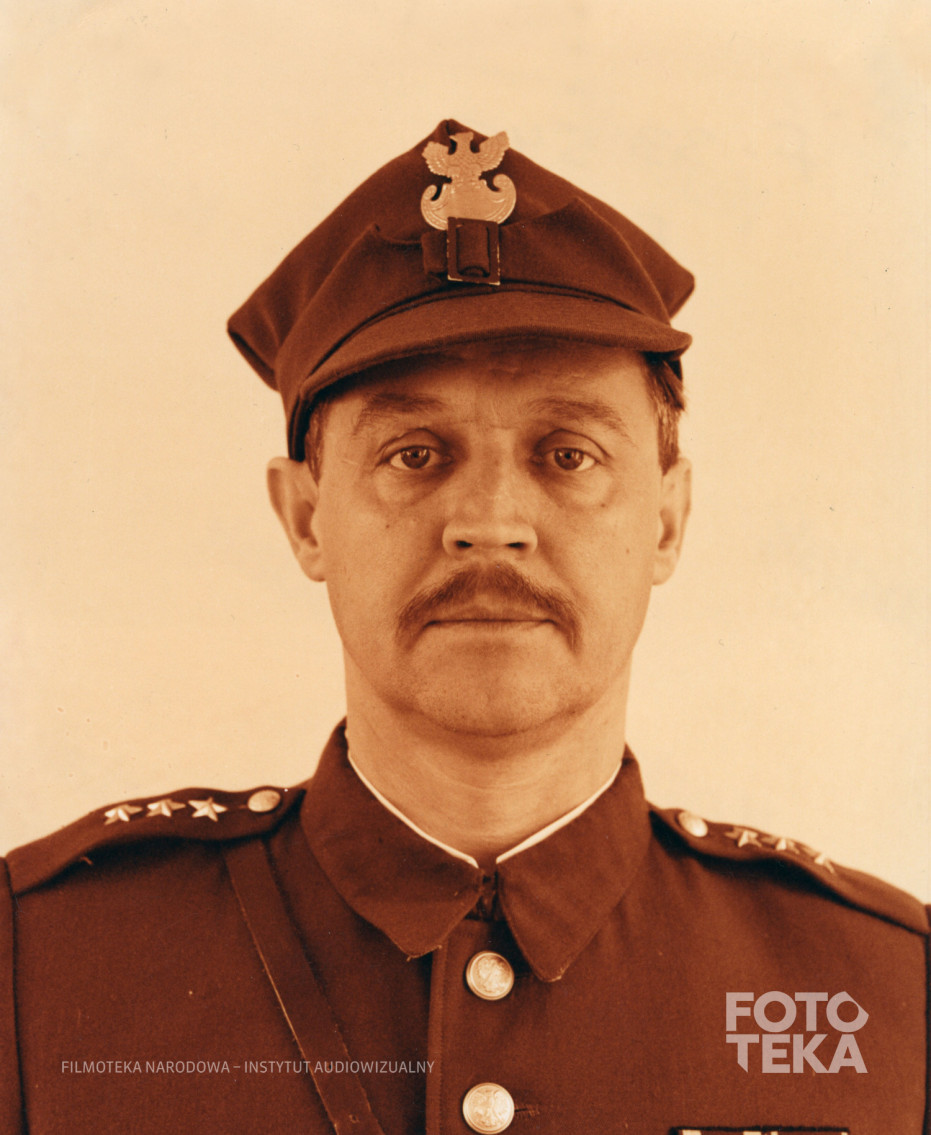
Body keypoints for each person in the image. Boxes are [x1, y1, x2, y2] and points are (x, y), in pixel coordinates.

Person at [1, 120, 927, 1134]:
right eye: (414, 454)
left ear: (666, 519)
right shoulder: (39, 964)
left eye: (567, 454)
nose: (489, 523)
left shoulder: (881, 989)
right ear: (305, 517)